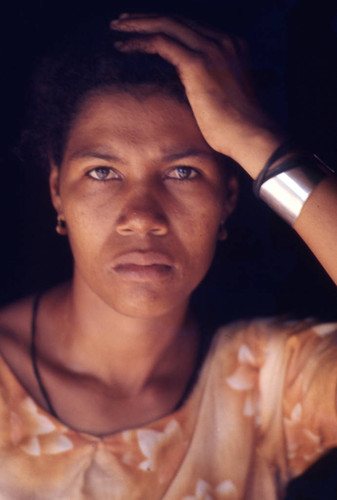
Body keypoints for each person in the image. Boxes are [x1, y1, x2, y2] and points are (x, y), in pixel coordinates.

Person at [0, 13, 336, 499]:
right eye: (101, 172)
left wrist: (258, 144)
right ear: (57, 191)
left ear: (228, 199)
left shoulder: (269, 387)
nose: (141, 217)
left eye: (183, 172)